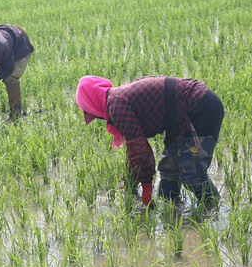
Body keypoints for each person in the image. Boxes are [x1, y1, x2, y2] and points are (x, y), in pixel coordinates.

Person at [75, 75, 224, 206]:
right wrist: (129, 180)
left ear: (92, 103)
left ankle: (212, 212)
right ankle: (171, 210)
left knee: (192, 173)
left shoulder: (116, 105)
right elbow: (133, 147)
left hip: (200, 108)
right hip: (181, 117)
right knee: (168, 168)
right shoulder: (116, 99)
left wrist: (146, 190)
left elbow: (140, 149)